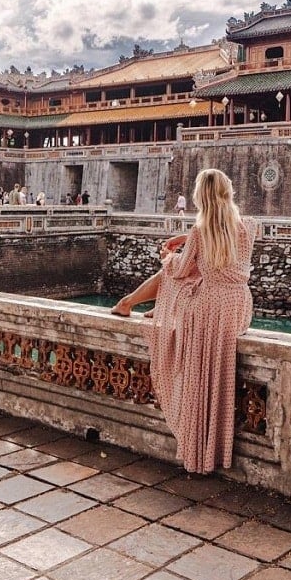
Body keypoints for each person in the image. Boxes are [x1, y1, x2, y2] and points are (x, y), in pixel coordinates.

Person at [112, 169, 258, 474]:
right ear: (228, 192)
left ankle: (131, 303)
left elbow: (181, 270)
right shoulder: (248, 227)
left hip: (208, 309)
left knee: (173, 273)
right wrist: (187, 240)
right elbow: (221, 247)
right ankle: (155, 307)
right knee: (193, 280)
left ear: (199, 196)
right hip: (238, 307)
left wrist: (169, 254)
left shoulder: (200, 233)